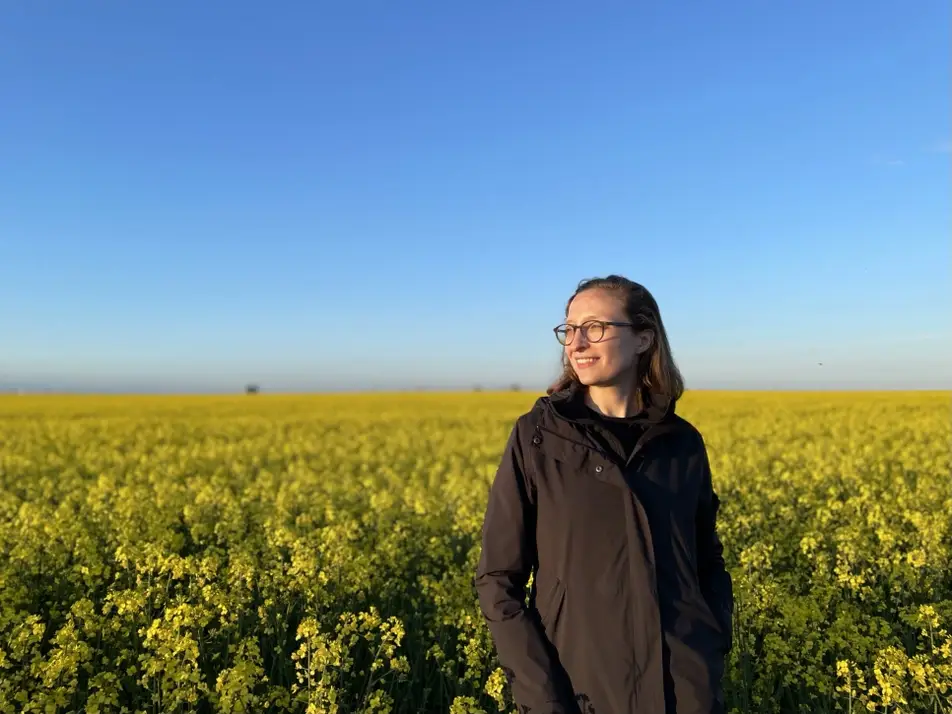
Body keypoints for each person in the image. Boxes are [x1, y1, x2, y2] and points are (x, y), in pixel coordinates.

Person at [473, 275, 734, 714]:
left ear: (643, 339)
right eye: (569, 329)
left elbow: (707, 562)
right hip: (579, 693)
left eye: (595, 327)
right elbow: (498, 580)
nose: (576, 343)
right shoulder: (536, 438)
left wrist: (709, 649)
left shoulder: (682, 443)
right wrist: (543, 697)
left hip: (684, 692)